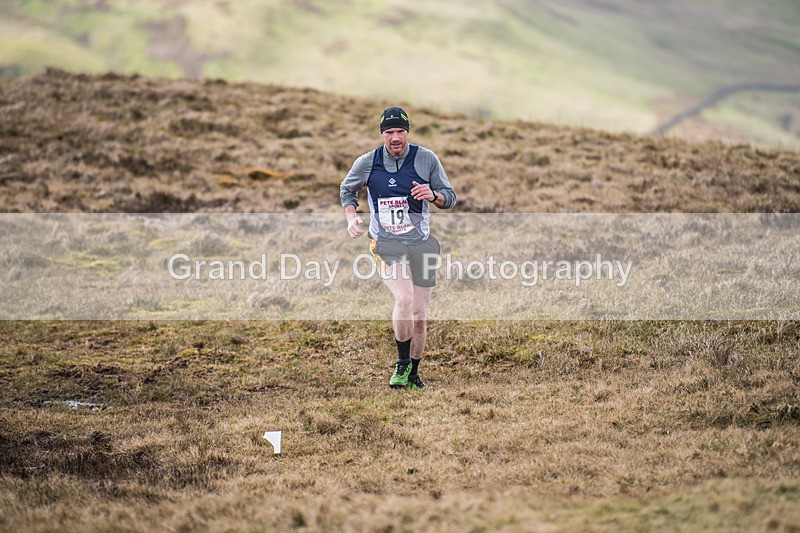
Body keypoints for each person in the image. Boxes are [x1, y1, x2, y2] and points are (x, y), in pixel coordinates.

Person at [340, 106, 456, 389]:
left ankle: (414, 373)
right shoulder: (368, 162)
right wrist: (352, 216)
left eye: (400, 131)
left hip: (422, 245)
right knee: (403, 299)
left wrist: (433, 195)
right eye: (389, 132)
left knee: (419, 314)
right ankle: (401, 364)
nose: (395, 137)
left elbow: (450, 197)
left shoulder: (426, 159)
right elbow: (347, 189)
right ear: (382, 134)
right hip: (387, 244)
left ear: (407, 132)